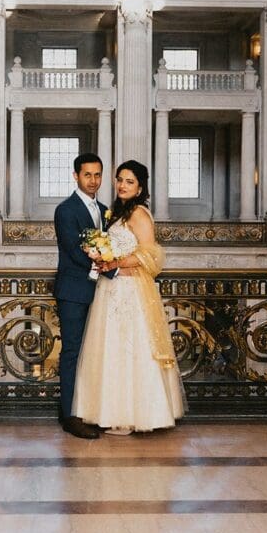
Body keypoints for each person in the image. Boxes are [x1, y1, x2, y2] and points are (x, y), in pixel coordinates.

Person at [72, 160, 186, 435]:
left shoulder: (139, 214)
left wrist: (115, 263)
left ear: (140, 187)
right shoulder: (119, 213)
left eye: (129, 181)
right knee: (110, 350)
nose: (122, 185)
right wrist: (103, 258)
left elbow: (151, 255)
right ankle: (110, 412)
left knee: (129, 350)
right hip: (110, 290)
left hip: (130, 291)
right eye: (120, 179)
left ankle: (133, 415)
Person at [53, 152, 113, 440]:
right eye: (87, 174)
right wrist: (105, 266)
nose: (93, 180)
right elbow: (73, 250)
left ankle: (90, 410)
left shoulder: (105, 209)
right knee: (72, 352)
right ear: (75, 175)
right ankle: (69, 416)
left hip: (99, 292)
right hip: (74, 292)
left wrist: (111, 266)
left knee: (94, 354)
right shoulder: (65, 210)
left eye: (98, 174)